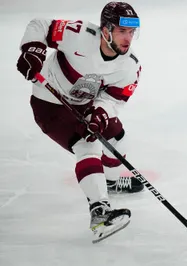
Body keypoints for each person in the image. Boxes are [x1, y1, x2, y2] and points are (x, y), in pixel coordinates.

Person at [16, 1, 143, 242]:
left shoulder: (129, 66)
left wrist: (100, 113)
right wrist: (32, 50)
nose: (128, 38)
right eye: (121, 31)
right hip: (49, 103)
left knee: (118, 137)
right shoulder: (78, 34)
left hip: (84, 105)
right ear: (105, 31)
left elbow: (114, 99)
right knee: (87, 145)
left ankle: (111, 182)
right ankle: (99, 212)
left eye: (131, 32)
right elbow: (40, 25)